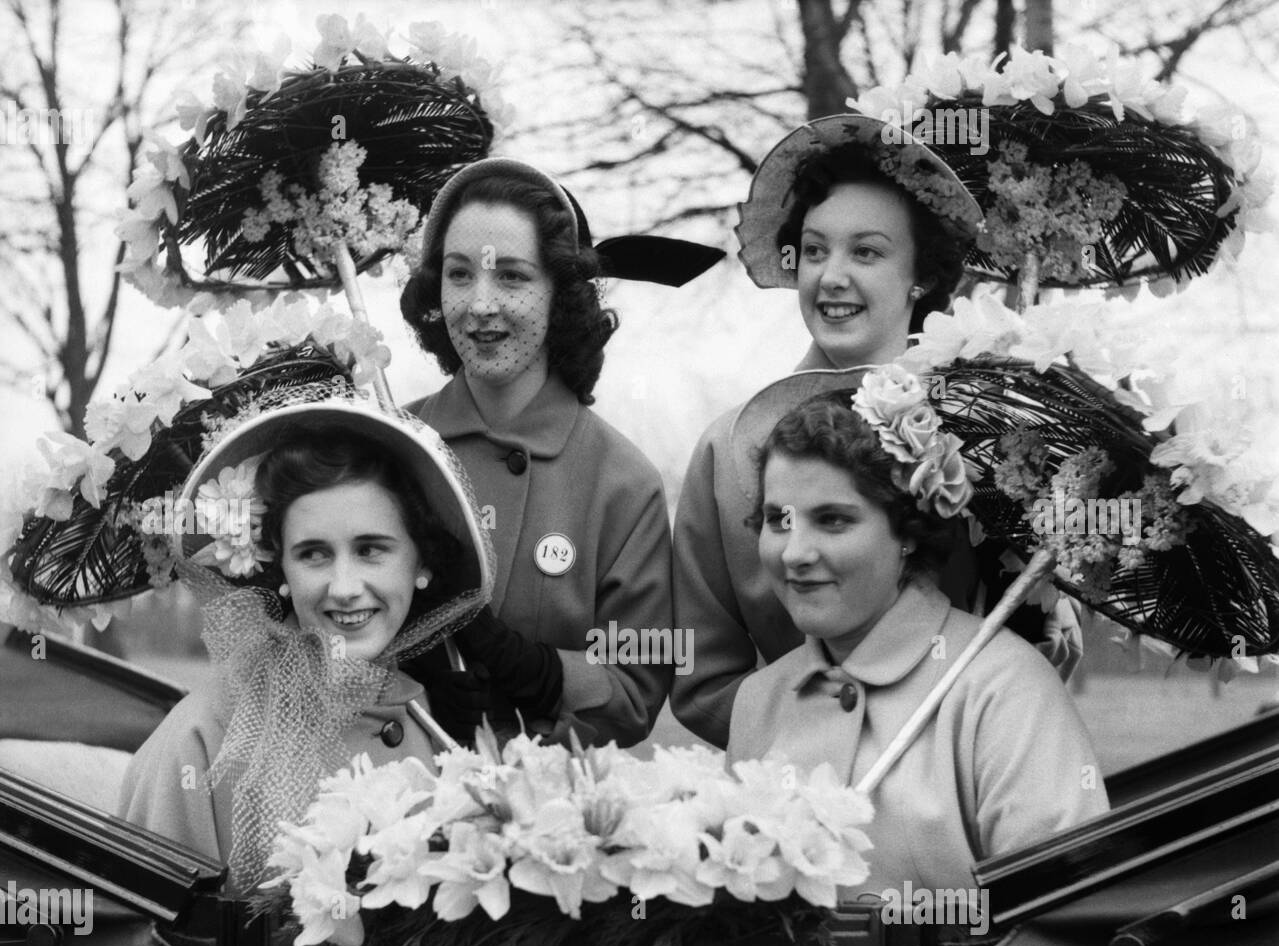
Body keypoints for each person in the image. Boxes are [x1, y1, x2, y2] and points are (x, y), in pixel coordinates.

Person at [672, 114, 1081, 749]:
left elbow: (1035, 639)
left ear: (923, 273)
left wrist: (1043, 620)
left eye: (866, 251)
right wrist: (826, 747)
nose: (831, 276)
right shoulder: (728, 452)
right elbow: (703, 680)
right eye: (814, 251)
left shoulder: (992, 436)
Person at [727, 379, 1108, 896]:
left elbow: (1059, 910)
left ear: (907, 532)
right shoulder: (758, 699)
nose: (794, 553)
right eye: (778, 520)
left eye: (833, 520)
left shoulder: (1005, 688)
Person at [118, 395, 493, 896]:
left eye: (370, 550)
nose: (345, 587)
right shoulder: (202, 739)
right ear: (282, 570)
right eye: (314, 554)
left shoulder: (431, 719)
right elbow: (153, 931)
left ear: (421, 563)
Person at [400, 157, 693, 748]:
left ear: (561, 294)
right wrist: (411, 685)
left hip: (548, 794)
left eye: (511, 277)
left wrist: (541, 674)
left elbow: (637, 689)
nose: (480, 304)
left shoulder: (623, 481)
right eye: (459, 275)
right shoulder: (392, 445)